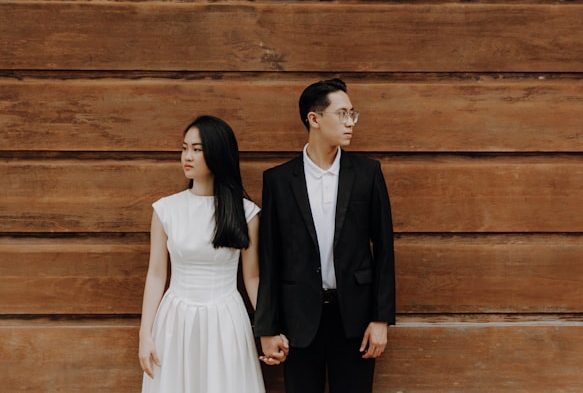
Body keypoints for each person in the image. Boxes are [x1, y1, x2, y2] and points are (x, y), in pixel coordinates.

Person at [255, 78, 396, 393]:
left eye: (352, 114)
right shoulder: (278, 181)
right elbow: (270, 257)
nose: (350, 123)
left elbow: (384, 249)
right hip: (299, 320)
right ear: (314, 119)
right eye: (342, 114)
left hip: (356, 320)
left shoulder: (367, 173)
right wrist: (267, 328)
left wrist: (380, 319)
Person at [138, 115, 266, 392]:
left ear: (218, 154)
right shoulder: (165, 210)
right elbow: (157, 275)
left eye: (197, 149)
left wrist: (269, 327)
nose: (187, 156)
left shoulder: (246, 213)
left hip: (226, 319)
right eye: (185, 148)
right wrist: (145, 334)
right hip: (175, 319)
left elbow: (252, 278)